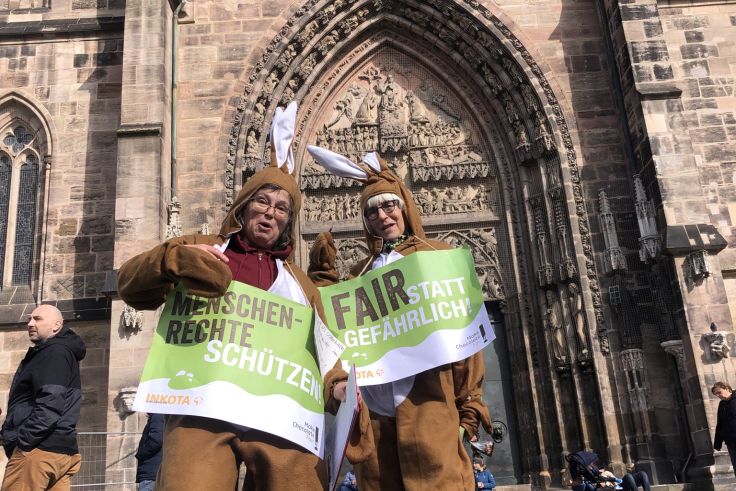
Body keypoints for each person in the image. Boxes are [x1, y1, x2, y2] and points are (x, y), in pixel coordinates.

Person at [117, 103, 365, 490]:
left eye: (281, 208)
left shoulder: (300, 283)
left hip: (279, 414)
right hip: (202, 407)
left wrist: (336, 386)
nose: (270, 213)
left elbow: (324, 350)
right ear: (245, 206)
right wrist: (171, 259)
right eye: (262, 202)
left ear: (288, 221)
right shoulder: (202, 248)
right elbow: (131, 286)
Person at [307, 145, 492, 490]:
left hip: (430, 412)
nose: (383, 216)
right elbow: (339, 342)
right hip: (375, 420)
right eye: (372, 211)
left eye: (389, 204)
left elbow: (465, 339)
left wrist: (468, 415)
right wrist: (321, 287)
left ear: (404, 205)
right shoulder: (358, 275)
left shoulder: (439, 257)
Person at [0, 304, 86, 491]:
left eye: (37, 319)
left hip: (38, 450)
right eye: (29, 319)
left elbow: (50, 403)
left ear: (56, 325)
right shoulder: (60, 352)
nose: (30, 323)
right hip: (60, 450)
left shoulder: (54, 352)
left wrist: (24, 441)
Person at [569, 451, 649, 491]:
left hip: (618, 483)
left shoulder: (593, 468)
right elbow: (580, 486)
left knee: (642, 474)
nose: (592, 463)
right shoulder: (589, 474)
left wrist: (601, 471)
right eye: (590, 463)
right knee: (628, 476)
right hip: (613, 486)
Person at [713, 381, 736, 477]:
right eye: (716, 394)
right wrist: (717, 443)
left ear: (726, 388)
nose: (718, 395)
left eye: (719, 392)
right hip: (731, 442)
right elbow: (720, 424)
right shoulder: (722, 405)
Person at [135, 413, 164, 491]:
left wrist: (141, 453)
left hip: (151, 471)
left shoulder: (158, 415)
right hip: (152, 472)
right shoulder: (159, 415)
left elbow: (157, 440)